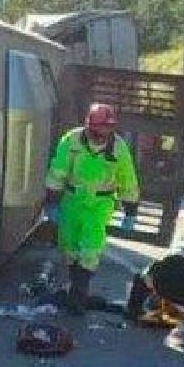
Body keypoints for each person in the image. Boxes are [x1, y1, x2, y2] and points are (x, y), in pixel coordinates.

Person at [45, 103, 140, 315]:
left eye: (108, 129)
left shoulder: (118, 147)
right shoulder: (71, 140)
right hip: (72, 200)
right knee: (68, 245)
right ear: (89, 126)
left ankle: (79, 295)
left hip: (99, 204)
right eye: (100, 129)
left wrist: (130, 209)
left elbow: (127, 179)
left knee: (90, 247)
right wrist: (51, 200)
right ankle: (75, 288)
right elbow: (58, 171)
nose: (103, 134)